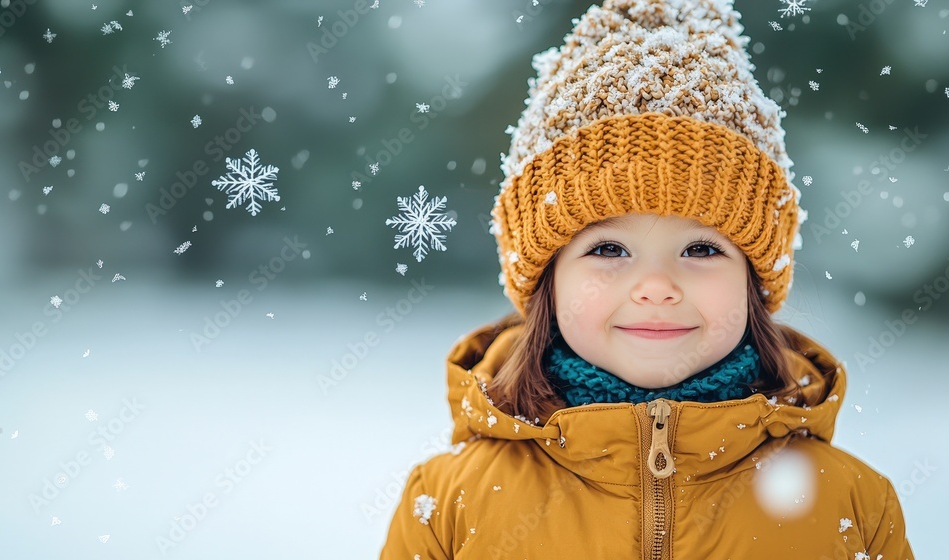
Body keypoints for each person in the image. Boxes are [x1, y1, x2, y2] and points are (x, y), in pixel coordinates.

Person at [380, 0, 915, 558]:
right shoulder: (448, 505)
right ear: (548, 282)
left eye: (701, 248)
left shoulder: (850, 506)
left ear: (754, 285)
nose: (656, 285)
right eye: (609, 248)